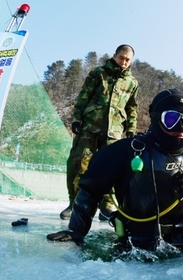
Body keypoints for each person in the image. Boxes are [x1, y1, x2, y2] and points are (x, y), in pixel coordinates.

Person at [48, 89, 183, 251]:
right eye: (171, 119)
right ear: (155, 119)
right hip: (138, 241)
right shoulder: (126, 151)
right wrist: (76, 231)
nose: (181, 127)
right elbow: (90, 191)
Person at [60, 44, 139, 221]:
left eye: (127, 60)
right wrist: (76, 119)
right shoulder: (98, 73)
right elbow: (84, 96)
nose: (124, 62)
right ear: (114, 56)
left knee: (112, 169)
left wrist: (131, 129)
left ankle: (107, 207)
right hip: (89, 127)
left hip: (114, 132)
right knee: (78, 163)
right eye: (121, 58)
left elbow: (132, 107)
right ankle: (75, 204)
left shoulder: (132, 83)